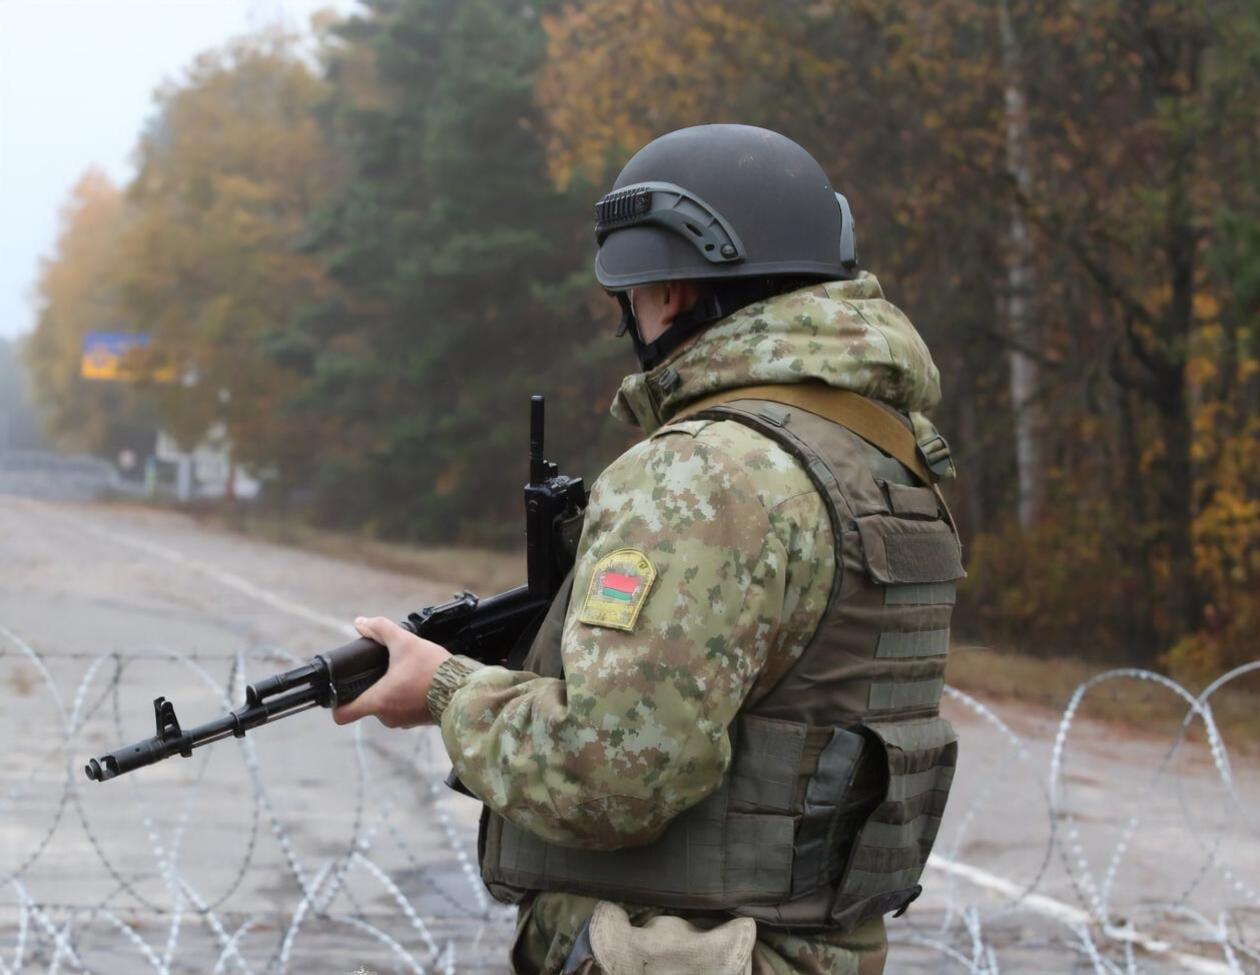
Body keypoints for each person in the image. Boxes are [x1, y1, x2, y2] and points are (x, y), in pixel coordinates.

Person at [333, 124, 962, 975]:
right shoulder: (884, 452)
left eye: (629, 292)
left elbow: (611, 773)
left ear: (671, 289)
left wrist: (447, 691)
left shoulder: (705, 473)